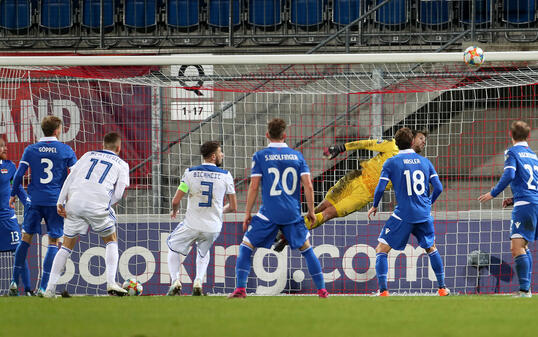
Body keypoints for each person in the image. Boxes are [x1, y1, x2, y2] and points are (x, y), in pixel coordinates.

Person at [274, 130, 428, 252]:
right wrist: (342, 148)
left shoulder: (414, 163)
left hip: (364, 194)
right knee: (321, 207)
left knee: (327, 214)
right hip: (354, 179)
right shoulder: (391, 145)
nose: (424, 142)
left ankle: (287, 233)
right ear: (412, 139)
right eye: (421, 138)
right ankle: (286, 236)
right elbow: (366, 143)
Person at [229, 118, 329, 298]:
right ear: (285, 135)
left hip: (269, 213)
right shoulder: (297, 156)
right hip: (292, 213)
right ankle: (322, 290)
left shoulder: (260, 156)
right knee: (307, 250)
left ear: (267, 135)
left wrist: (247, 213)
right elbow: (308, 185)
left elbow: (253, 186)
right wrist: (311, 210)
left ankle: (240, 288)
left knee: (246, 246)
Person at [44, 132, 130, 297]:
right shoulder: (122, 164)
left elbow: (70, 178)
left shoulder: (87, 155)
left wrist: (60, 201)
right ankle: (111, 283)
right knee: (111, 240)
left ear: (103, 145)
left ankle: (49, 289)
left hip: (74, 202)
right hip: (98, 204)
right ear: (119, 148)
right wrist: (106, 204)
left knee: (66, 246)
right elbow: (119, 194)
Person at [367, 127, 447, 296]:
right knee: (431, 248)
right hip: (423, 214)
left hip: (403, 214)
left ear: (396, 144)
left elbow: (380, 188)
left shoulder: (391, 162)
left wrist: (375, 205)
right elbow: (438, 187)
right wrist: (427, 203)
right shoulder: (425, 162)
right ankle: (442, 288)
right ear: (412, 142)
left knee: (381, 249)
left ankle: (383, 291)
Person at [9, 116, 77, 297]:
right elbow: (75, 176)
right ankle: (43, 287)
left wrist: (13, 195)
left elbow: (18, 175)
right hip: (55, 202)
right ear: (57, 130)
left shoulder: (31, 150)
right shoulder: (66, 150)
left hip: (34, 201)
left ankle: (14, 281)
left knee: (26, 239)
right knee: (53, 241)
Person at [166, 140, 237, 296]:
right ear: (213, 157)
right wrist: (218, 211)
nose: (222, 155)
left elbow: (176, 200)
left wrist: (174, 210)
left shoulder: (190, 173)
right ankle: (198, 281)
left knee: (171, 246)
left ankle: (175, 280)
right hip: (213, 228)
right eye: (220, 152)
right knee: (203, 251)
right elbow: (233, 206)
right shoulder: (226, 176)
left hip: (191, 224)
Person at [478, 120, 538, 298]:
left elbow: (510, 174)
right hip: (533, 201)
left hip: (525, 206)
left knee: (516, 246)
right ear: (527, 135)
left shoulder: (512, 152)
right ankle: (526, 290)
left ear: (510, 135)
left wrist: (493, 193)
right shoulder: (533, 155)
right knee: (523, 246)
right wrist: (514, 197)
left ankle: (525, 291)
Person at [0, 138, 33, 296]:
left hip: (8, 218)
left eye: (5, 145)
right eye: (1, 146)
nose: (5, 148)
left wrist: (28, 202)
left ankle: (27, 289)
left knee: (19, 251)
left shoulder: (10, 166)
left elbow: (18, 187)